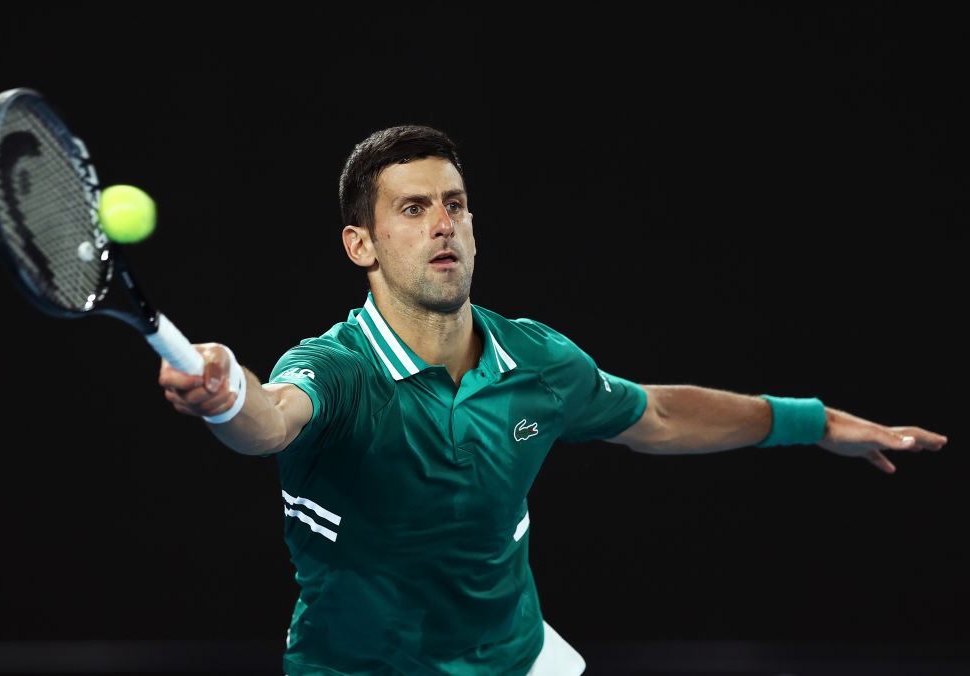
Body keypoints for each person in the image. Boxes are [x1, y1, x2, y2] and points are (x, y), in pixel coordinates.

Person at [158, 125, 947, 675]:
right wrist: (227, 397)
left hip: (515, 657)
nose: (443, 224)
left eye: (455, 204)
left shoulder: (538, 360)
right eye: (413, 208)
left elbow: (657, 415)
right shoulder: (334, 369)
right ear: (359, 244)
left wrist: (816, 422)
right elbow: (272, 421)